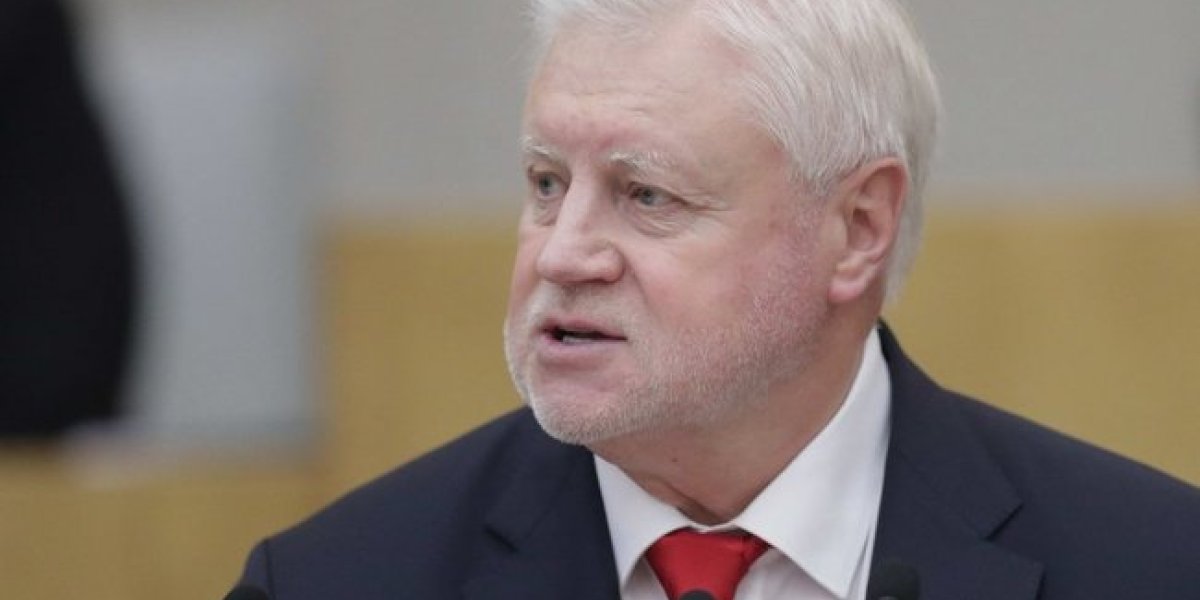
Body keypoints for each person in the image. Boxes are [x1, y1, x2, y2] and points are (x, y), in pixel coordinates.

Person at [231, 0, 1199, 598]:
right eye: (546, 183)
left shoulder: (1156, 567)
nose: (562, 254)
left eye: (647, 195)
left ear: (858, 227)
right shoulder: (331, 581)